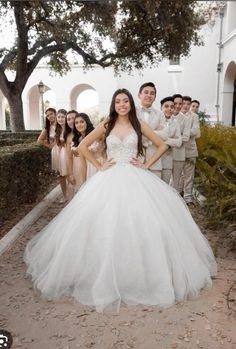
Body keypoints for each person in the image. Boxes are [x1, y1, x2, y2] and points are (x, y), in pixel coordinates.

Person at [24, 88, 216, 313]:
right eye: (118, 101)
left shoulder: (137, 125)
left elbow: (162, 145)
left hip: (136, 176)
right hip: (110, 175)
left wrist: (145, 163)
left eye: (125, 101)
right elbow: (84, 146)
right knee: (104, 223)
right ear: (113, 105)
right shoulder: (107, 124)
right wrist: (99, 166)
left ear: (130, 103)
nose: (122, 105)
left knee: (142, 223)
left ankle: (141, 273)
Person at [136, 82, 169, 178]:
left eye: (152, 93)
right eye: (146, 92)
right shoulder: (132, 112)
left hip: (155, 162)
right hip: (136, 160)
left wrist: (145, 131)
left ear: (155, 97)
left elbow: (165, 135)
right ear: (139, 95)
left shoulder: (160, 114)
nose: (149, 95)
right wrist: (155, 131)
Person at [180, 96, 200, 206]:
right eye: (184, 103)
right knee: (177, 175)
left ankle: (188, 198)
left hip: (190, 150)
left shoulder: (194, 116)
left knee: (189, 175)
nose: (186, 106)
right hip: (177, 150)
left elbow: (195, 131)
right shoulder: (176, 115)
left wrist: (181, 132)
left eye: (188, 104)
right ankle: (177, 196)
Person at [171, 94, 191, 194]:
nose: (178, 106)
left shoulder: (186, 119)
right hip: (164, 154)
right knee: (163, 181)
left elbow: (186, 137)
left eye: (180, 103)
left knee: (176, 183)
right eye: (175, 103)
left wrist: (169, 141)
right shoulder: (163, 115)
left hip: (179, 154)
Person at [160, 96, 182, 184]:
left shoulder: (176, 123)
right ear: (161, 107)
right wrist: (171, 139)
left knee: (165, 187)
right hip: (154, 160)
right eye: (166, 106)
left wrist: (164, 139)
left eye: (172, 107)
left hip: (168, 160)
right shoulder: (155, 120)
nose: (169, 109)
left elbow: (179, 142)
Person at [37, 107, 57, 171]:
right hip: (56, 151)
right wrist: (50, 146)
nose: (50, 116)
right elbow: (39, 140)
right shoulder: (48, 128)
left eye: (51, 114)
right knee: (61, 173)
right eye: (48, 116)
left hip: (66, 149)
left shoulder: (62, 124)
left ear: (55, 114)